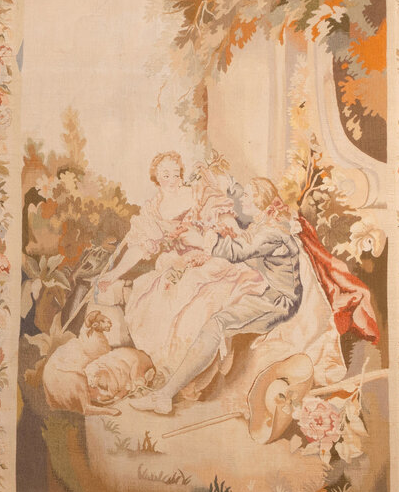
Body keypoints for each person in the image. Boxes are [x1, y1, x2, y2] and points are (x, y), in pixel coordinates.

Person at [130, 177, 304, 414]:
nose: (242, 199)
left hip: (277, 301)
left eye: (247, 195)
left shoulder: (273, 232)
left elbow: (241, 251)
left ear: (259, 199)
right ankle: (166, 390)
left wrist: (202, 240)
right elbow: (246, 249)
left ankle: (164, 396)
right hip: (266, 290)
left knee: (215, 324)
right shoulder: (266, 224)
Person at [95, 152, 267, 380]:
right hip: (179, 264)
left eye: (176, 174)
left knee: (204, 300)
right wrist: (114, 273)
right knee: (158, 301)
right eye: (165, 174)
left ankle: (214, 357)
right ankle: (174, 370)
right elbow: (139, 248)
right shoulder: (153, 210)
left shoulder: (198, 193)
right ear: (155, 177)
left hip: (210, 256)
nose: (171, 180)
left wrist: (212, 241)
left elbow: (228, 228)